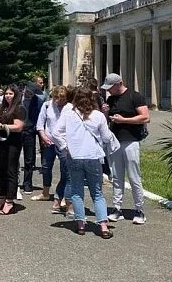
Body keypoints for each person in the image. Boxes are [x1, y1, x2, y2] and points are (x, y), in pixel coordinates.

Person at [62, 87, 115, 238]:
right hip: (92, 155)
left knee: (77, 191)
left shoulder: (68, 114)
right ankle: (103, 226)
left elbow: (56, 132)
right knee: (97, 192)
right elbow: (106, 137)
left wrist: (65, 146)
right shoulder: (98, 115)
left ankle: (80, 224)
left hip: (75, 155)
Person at [101, 73, 150, 225]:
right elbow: (107, 120)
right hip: (115, 141)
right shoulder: (111, 99)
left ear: (119, 84)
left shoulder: (134, 96)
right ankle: (117, 208)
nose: (108, 91)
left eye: (111, 88)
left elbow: (145, 117)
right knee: (117, 177)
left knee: (134, 176)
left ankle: (139, 210)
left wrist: (124, 120)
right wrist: (106, 112)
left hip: (131, 140)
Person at [35, 86, 74, 217]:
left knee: (65, 170)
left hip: (63, 142)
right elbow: (40, 124)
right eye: (57, 97)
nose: (59, 100)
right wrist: (43, 136)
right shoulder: (47, 105)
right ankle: (45, 192)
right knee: (46, 167)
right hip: (49, 140)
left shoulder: (70, 107)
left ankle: (62, 197)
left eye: (62, 98)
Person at [0, 84, 26, 215]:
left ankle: (10, 201)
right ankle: (2, 196)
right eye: (6, 93)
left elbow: (18, 126)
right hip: (0, 142)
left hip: (13, 143)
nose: (8, 96)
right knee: (0, 169)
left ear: (16, 95)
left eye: (11, 94)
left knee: (11, 170)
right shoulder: (2, 107)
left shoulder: (19, 108)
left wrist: (2, 126)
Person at [20, 83, 42, 193]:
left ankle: (27, 182)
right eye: (28, 92)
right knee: (13, 158)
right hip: (17, 131)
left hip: (29, 131)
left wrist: (34, 129)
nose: (29, 94)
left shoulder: (38, 101)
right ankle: (14, 182)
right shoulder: (18, 98)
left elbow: (40, 116)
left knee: (29, 160)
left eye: (32, 93)